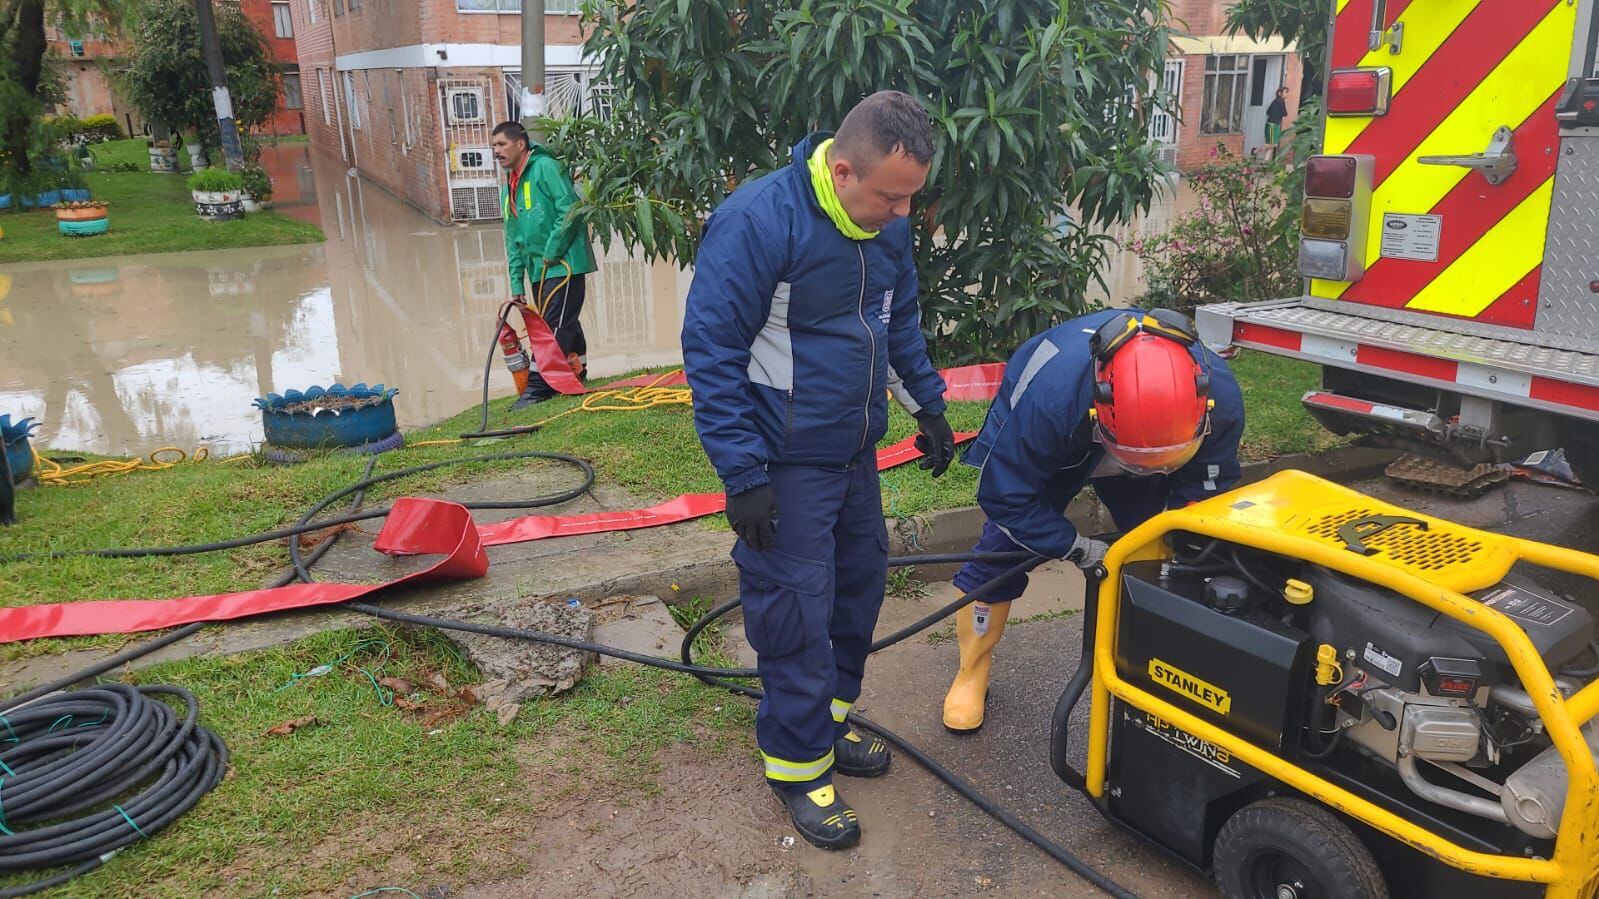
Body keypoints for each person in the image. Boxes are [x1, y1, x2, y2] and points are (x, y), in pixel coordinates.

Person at [681, 91, 955, 851]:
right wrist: (742, 474)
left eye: (909, 197)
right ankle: (796, 765)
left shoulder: (884, 227)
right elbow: (711, 353)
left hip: (852, 450)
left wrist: (928, 407)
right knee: (794, 611)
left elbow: (896, 322)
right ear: (840, 171)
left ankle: (826, 726)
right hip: (784, 460)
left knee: (858, 584)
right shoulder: (758, 222)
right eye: (889, 196)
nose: (901, 214)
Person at [940, 308, 1245, 734]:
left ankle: (1161, 661)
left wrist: (1176, 537)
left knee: (1175, 550)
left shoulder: (1220, 396)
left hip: (1148, 441)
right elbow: (1008, 497)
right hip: (1066, 436)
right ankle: (972, 671)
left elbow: (1206, 500)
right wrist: (1076, 546)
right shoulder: (1049, 401)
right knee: (1001, 555)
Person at [490, 120, 597, 411]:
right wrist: (516, 284)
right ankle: (578, 371)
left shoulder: (546, 168)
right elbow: (513, 240)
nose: (496, 151)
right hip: (540, 270)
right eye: (494, 146)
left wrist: (551, 251)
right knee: (566, 323)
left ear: (520, 144)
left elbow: (570, 211)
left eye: (502, 144)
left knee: (554, 326)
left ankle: (538, 388)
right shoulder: (508, 188)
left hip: (564, 264)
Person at [1266, 86, 1290, 154]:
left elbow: (1268, 112)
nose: (1286, 94)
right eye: (1285, 92)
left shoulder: (1275, 101)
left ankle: (1266, 162)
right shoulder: (1280, 101)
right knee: (1272, 145)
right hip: (1273, 125)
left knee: (1272, 144)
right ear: (1279, 93)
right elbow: (1285, 113)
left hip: (1274, 124)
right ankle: (1256, 150)